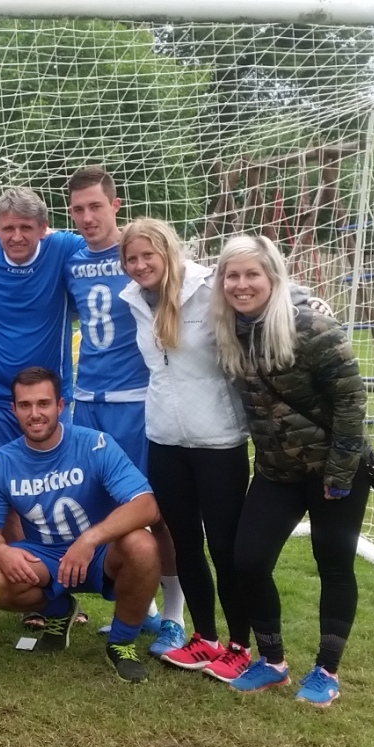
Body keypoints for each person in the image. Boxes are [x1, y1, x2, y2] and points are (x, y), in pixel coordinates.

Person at [210, 234, 371, 707]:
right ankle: (273, 661)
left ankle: (326, 670)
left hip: (334, 470)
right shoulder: (228, 330)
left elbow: (351, 400)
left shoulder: (312, 326)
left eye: (252, 274)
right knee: (248, 561)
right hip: (276, 471)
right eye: (232, 275)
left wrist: (340, 473)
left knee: (333, 564)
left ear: (273, 277)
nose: (241, 284)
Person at [115, 218, 256, 683]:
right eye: (131, 259)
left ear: (168, 252)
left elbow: (265, 296)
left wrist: (306, 302)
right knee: (184, 543)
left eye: (147, 256)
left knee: (224, 546)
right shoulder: (134, 300)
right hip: (165, 440)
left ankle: (240, 645)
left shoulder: (209, 287)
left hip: (219, 440)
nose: (140, 265)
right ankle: (205, 637)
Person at [58, 166, 186, 656]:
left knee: (159, 511)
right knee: (105, 509)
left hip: (137, 402)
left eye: (96, 206)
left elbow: (193, 282)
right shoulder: (69, 256)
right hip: (87, 402)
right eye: (78, 209)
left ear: (115, 205)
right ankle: (140, 604)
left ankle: (174, 617)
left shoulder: (137, 254)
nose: (87, 217)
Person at [0, 367, 161, 681]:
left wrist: (90, 539)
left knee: (143, 545)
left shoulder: (95, 444)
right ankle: (59, 612)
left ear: (60, 406)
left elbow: (146, 505)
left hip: (100, 553)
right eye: (25, 405)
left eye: (43, 403)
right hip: (45, 557)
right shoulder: (1, 461)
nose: (35, 414)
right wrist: (2, 552)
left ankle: (121, 642)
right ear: (13, 409)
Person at [0, 188, 81, 481]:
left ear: (43, 228)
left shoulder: (62, 247)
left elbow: (110, 242)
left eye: (26, 227)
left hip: (50, 395)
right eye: (8, 228)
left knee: (56, 480)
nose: (16, 237)